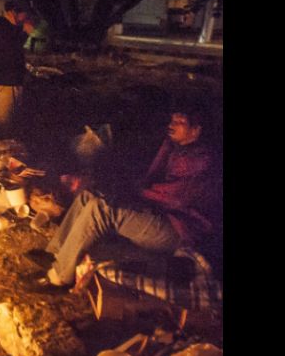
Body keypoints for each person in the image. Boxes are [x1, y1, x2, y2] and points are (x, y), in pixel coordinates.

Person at [41, 105, 218, 287]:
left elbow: (172, 197)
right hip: (162, 213)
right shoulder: (175, 147)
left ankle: (59, 277)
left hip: (179, 230)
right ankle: (58, 253)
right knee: (90, 195)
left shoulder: (200, 161)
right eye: (172, 120)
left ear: (196, 130)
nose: (172, 125)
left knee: (102, 209)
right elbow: (149, 179)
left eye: (181, 122)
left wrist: (131, 194)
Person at [0, 1, 34, 137]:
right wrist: (25, 33)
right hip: (2, 82)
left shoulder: (13, 27)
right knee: (2, 123)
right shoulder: (1, 26)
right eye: (25, 14)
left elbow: (16, 50)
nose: (26, 18)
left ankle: (12, 151)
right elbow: (9, 51)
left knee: (13, 120)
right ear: (14, 12)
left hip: (14, 81)